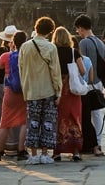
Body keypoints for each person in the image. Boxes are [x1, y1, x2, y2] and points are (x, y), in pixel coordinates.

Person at [18, 16, 62, 165]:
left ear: (36, 28)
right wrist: (59, 91)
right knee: (48, 121)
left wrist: (25, 89)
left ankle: (33, 154)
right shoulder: (51, 47)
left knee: (33, 122)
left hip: (32, 90)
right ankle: (44, 153)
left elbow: (21, 70)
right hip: (48, 89)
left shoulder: (25, 46)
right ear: (50, 31)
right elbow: (55, 72)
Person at [0, 30, 29, 162]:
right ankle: (21, 150)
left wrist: (11, 49)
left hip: (9, 91)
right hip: (24, 91)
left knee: (4, 123)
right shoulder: (27, 55)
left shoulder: (6, 56)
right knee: (24, 122)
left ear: (13, 42)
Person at [74, 14, 105, 156]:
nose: (78, 33)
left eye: (78, 30)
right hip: (98, 81)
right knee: (97, 114)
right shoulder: (100, 42)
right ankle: (98, 141)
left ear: (81, 28)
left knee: (86, 115)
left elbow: (83, 65)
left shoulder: (84, 43)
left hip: (88, 83)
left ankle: (89, 142)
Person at [52, 26, 85, 161]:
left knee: (58, 118)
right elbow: (83, 71)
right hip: (72, 90)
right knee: (74, 118)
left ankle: (57, 151)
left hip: (58, 88)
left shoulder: (52, 52)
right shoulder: (74, 52)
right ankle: (76, 151)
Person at [0, 25, 17, 133]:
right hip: (15, 86)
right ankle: (14, 142)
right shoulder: (19, 52)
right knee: (15, 114)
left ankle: (0, 142)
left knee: (0, 115)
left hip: (0, 85)